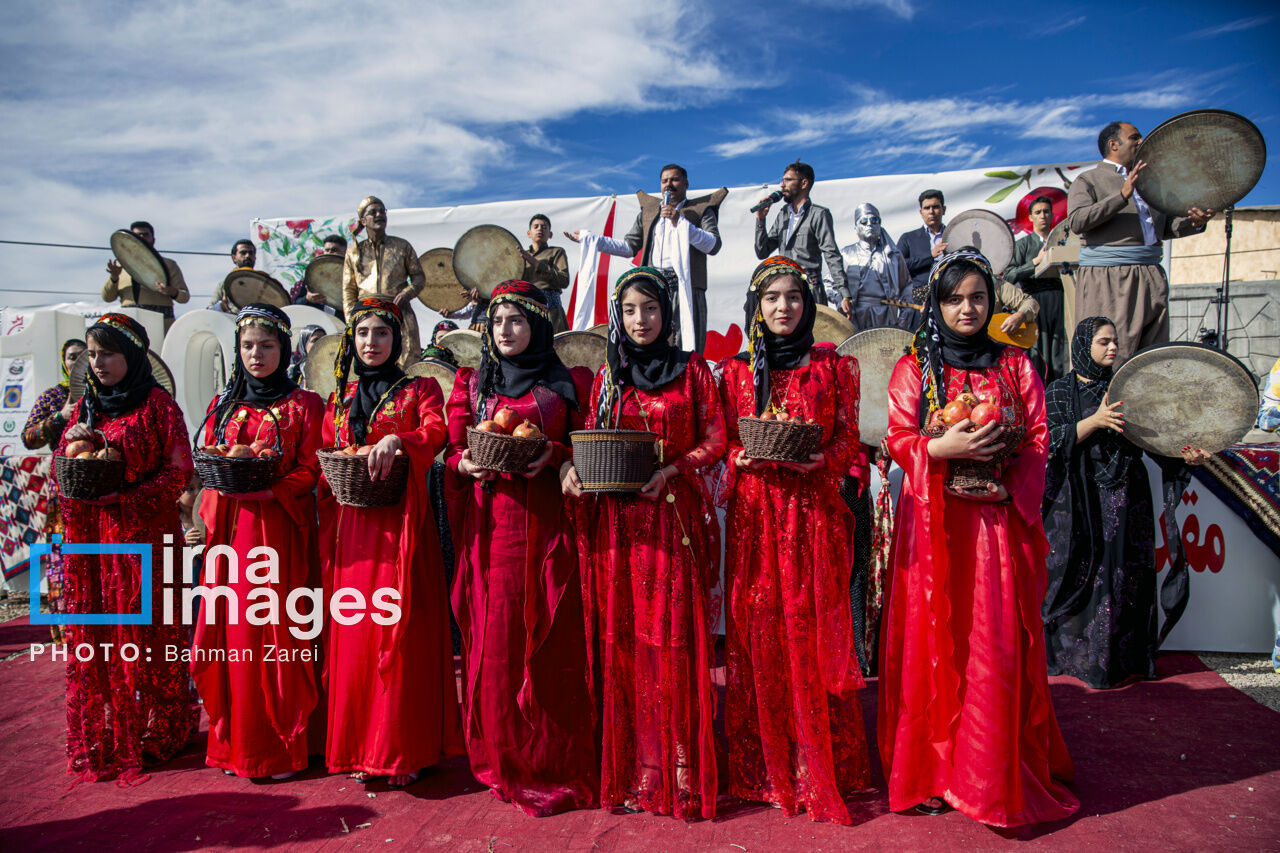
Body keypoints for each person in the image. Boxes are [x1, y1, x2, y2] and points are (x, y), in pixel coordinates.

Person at [879, 249, 1079, 825]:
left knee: (989, 645)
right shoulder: (913, 366)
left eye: (977, 298)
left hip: (993, 527)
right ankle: (932, 773)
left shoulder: (1015, 366)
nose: (967, 309)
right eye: (954, 299)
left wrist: (1009, 489)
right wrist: (937, 449)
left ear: (991, 301)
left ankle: (988, 772)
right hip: (936, 525)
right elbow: (898, 435)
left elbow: (1038, 438)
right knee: (933, 642)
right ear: (935, 305)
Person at [561, 266, 725, 819]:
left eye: (650, 309)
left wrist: (675, 470)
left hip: (672, 519)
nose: (640, 320)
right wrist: (576, 473)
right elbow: (592, 437)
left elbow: (716, 437)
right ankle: (640, 763)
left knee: (672, 636)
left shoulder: (693, 370)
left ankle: (680, 762)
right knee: (629, 641)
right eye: (629, 310)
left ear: (667, 313)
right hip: (619, 526)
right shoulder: (612, 376)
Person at [718, 256, 871, 824]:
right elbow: (723, 444)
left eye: (794, 297)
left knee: (813, 630)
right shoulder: (734, 373)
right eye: (772, 298)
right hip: (757, 517)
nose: (784, 307)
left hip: (813, 516)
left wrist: (819, 460)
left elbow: (851, 440)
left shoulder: (836, 368)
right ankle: (768, 765)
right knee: (761, 632)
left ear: (808, 305)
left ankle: (823, 762)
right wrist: (744, 456)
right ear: (756, 308)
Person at [444, 280, 597, 815]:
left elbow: (584, 445)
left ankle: (552, 757)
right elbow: (452, 452)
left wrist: (553, 455)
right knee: (500, 640)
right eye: (497, 321)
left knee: (552, 639)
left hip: (550, 526)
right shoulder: (471, 383)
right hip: (493, 529)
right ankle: (503, 753)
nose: (505, 331)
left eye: (516, 320)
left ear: (537, 325)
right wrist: (465, 464)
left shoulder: (570, 381)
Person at [319, 297, 463, 788]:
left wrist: (398, 440)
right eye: (363, 334)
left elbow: (438, 430)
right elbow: (328, 448)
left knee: (401, 635)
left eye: (382, 333)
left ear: (397, 339)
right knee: (358, 637)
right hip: (352, 528)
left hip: (404, 525)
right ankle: (363, 747)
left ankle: (404, 749)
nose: (371, 343)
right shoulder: (343, 394)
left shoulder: (418, 386)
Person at [55, 313, 196, 782]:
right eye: (92, 355)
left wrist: (128, 497)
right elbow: (63, 466)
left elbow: (179, 471)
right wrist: (71, 445)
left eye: (108, 354)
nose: (98, 364)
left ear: (132, 356)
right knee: (102, 635)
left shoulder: (159, 406)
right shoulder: (85, 407)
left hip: (147, 536)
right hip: (95, 538)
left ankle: (161, 729)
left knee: (152, 633)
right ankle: (114, 729)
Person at [190, 303, 324, 779]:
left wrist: (273, 488)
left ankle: (279, 746)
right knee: (230, 637)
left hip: (277, 533)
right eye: (247, 346)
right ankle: (235, 747)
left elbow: (314, 468)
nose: (256, 355)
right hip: (227, 533)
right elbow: (206, 458)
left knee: (273, 634)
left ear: (284, 350)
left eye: (267, 346)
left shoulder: (305, 406)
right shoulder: (220, 406)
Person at [1042, 317, 1208, 689]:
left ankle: (1122, 663)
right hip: (1076, 500)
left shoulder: (1130, 391)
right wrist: (1096, 420)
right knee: (1075, 577)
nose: (1113, 348)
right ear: (1083, 345)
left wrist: (1185, 457)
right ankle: (1072, 662)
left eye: (1115, 341)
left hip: (1126, 498)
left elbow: (1156, 441)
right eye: (1103, 342)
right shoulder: (1057, 391)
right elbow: (1048, 443)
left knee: (1125, 578)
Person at [1066, 121, 1215, 364]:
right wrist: (1122, 195)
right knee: (1114, 352)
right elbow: (1078, 221)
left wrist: (1195, 222)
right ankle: (1106, 402)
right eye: (1134, 137)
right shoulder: (1090, 180)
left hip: (1151, 274)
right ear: (1113, 144)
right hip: (1111, 277)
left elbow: (1165, 227)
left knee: (1154, 354)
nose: (1141, 141)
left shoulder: (1151, 182)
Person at [567, 164, 727, 352]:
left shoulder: (700, 209)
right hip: (654, 287)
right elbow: (628, 247)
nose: (669, 185)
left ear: (686, 183)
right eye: (664, 181)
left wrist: (681, 223)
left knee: (686, 346)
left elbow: (713, 245)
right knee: (651, 342)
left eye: (674, 180)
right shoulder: (650, 211)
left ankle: (688, 380)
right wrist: (593, 240)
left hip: (686, 288)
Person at [22, 338, 86, 641]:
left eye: (83, 356)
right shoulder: (54, 396)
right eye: (72, 356)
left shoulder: (105, 392)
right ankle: (66, 627)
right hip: (63, 488)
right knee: (62, 554)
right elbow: (29, 437)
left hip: (102, 485)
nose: (77, 362)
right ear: (64, 362)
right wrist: (60, 416)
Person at [753, 161, 850, 313]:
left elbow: (831, 254)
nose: (782, 185)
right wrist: (761, 220)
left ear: (804, 183)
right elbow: (762, 251)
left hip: (809, 289)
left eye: (788, 180)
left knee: (813, 335)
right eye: (782, 180)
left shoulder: (818, 214)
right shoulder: (783, 214)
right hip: (785, 290)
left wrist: (844, 293)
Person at [341, 197, 427, 368]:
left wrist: (406, 293)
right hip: (366, 314)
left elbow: (419, 278)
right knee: (368, 362)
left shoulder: (402, 246)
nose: (379, 214)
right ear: (363, 221)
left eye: (382, 211)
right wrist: (353, 320)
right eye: (373, 212)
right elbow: (348, 291)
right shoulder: (354, 252)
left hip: (399, 312)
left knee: (406, 364)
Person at [1004, 195, 1068, 382]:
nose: (1042, 216)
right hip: (1033, 303)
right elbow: (1008, 275)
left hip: (1060, 299)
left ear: (1052, 214)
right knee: (1039, 348)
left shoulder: (1062, 241)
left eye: (1046, 211)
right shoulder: (1023, 245)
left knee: (1061, 346)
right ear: (1030, 217)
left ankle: (1062, 389)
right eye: (1038, 212)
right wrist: (1035, 262)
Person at [102, 221, 189, 331]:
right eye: (138, 235)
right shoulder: (121, 266)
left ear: (153, 239)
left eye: (146, 234)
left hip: (161, 323)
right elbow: (107, 298)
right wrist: (114, 277)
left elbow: (185, 297)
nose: (142, 237)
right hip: (130, 323)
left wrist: (172, 292)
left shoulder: (168, 265)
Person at [840, 202, 913, 330]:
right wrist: (841, 299)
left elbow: (906, 286)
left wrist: (903, 319)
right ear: (855, 227)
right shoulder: (846, 253)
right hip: (857, 314)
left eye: (874, 220)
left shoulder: (892, 255)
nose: (869, 224)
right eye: (864, 221)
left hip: (886, 314)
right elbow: (831, 283)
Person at [521, 215, 571, 333]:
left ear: (550, 234)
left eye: (544, 227)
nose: (540, 229)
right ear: (529, 233)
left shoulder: (556, 252)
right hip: (526, 312)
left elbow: (564, 281)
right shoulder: (521, 257)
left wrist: (536, 264)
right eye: (536, 226)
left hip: (552, 312)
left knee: (556, 347)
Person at [896, 190, 948, 299]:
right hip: (919, 301)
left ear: (943, 210)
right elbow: (897, 265)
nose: (931, 211)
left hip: (951, 295)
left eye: (935, 207)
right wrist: (930, 256)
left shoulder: (955, 235)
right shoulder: (908, 238)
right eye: (927, 208)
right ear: (921, 212)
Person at [291, 234, 348, 318]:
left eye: (334, 250)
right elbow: (296, 304)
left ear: (345, 252)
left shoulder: (352, 276)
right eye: (327, 250)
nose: (329, 253)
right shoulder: (313, 275)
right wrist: (307, 299)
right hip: (317, 322)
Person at [210, 240, 258, 312]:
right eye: (243, 253)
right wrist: (221, 306)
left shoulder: (264, 285)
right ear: (234, 257)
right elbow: (210, 311)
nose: (248, 256)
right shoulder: (224, 285)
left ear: (255, 257)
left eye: (251, 253)